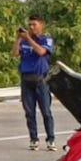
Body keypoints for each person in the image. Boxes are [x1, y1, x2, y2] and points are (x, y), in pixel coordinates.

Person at [13, 14, 56, 151]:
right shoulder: (24, 40)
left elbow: (41, 51)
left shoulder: (46, 39)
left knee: (46, 111)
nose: (31, 27)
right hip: (26, 79)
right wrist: (18, 39)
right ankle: (34, 138)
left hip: (41, 80)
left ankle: (50, 139)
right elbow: (14, 53)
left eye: (34, 25)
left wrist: (29, 39)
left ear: (41, 25)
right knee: (29, 112)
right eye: (30, 25)